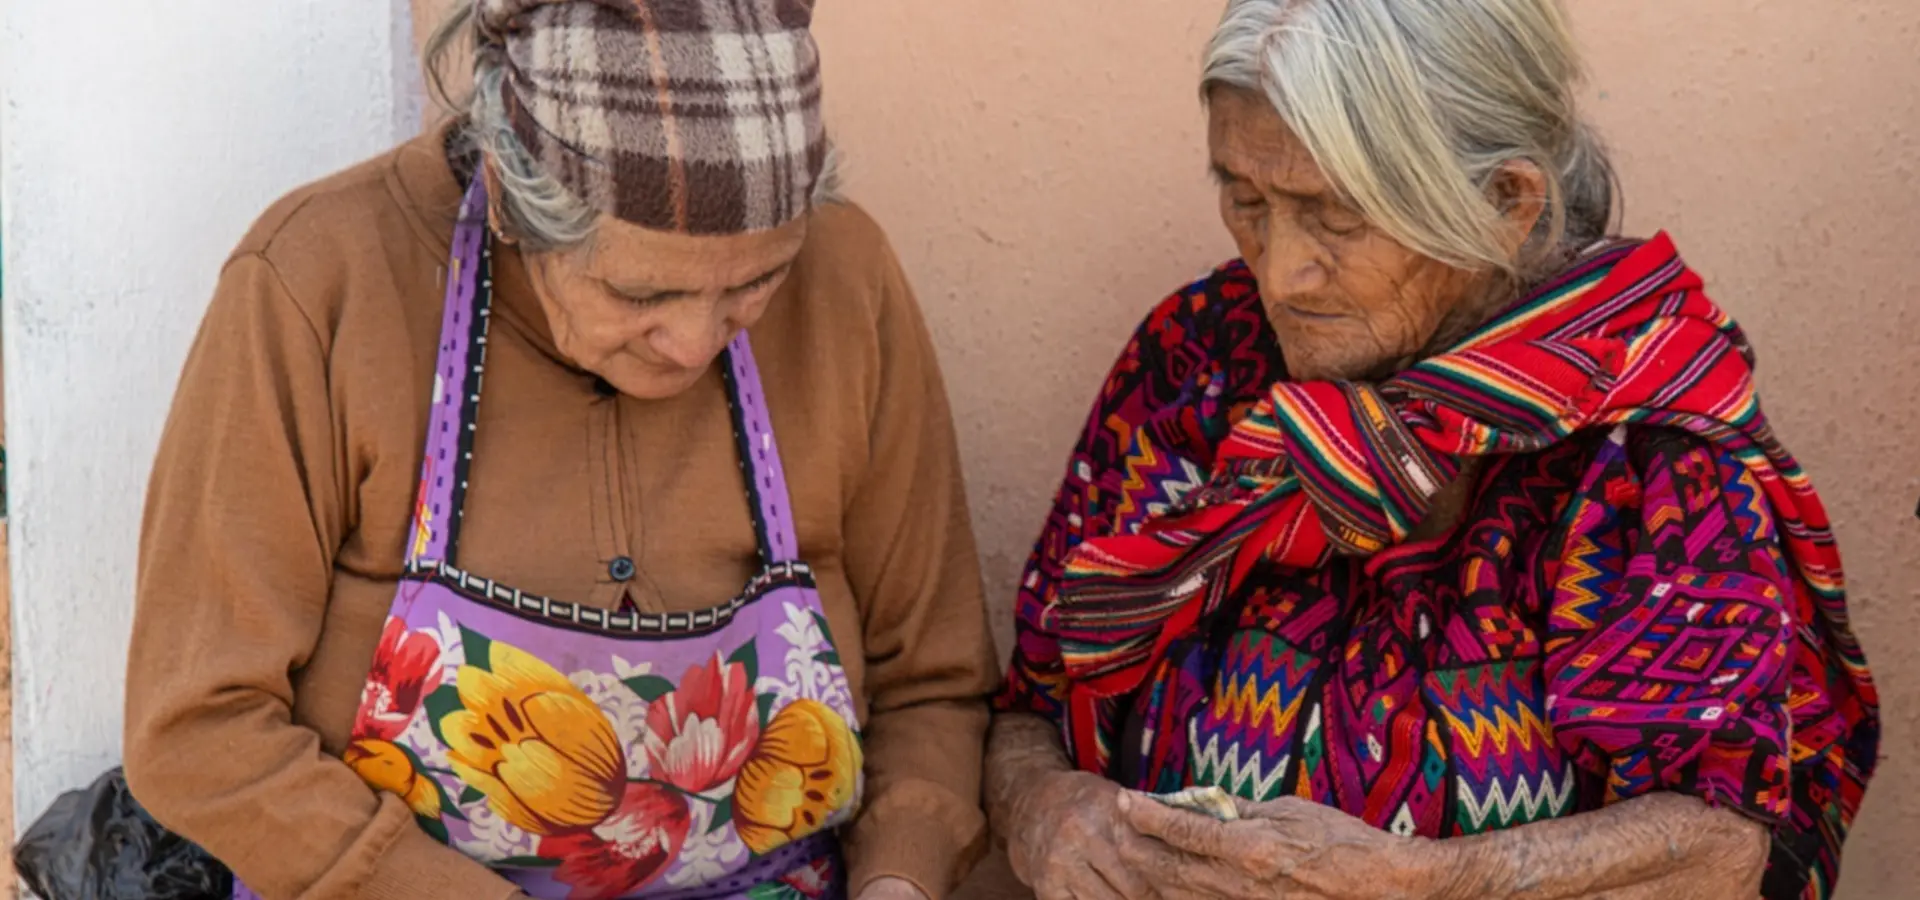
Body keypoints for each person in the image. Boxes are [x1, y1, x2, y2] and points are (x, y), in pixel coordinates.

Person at [987, 2, 1878, 899]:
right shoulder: (1201, 360)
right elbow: (1032, 703)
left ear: (1504, 204)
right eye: (1247, 200)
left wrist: (1428, 883)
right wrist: (1045, 808)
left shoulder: (1639, 447)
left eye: (1334, 216)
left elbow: (1720, 847)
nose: (1279, 272)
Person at [121, 2, 996, 899]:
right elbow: (201, 731)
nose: (695, 342)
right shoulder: (322, 282)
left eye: (755, 281)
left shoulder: (848, 277)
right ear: (508, 195)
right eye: (640, 293)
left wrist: (902, 875)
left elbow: (932, 682)